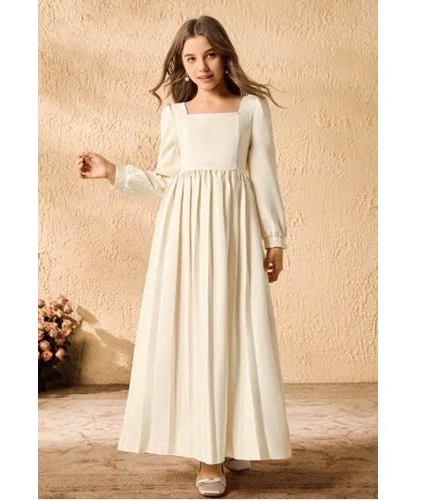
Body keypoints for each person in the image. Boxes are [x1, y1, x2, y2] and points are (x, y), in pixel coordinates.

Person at [77, 15, 291, 498]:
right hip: (184, 238)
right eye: (191, 58)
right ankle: (208, 455)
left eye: (210, 54)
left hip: (234, 237)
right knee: (199, 333)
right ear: (181, 63)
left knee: (235, 330)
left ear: (225, 55)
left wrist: (275, 240)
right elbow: (166, 182)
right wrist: (113, 172)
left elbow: (264, 176)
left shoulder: (251, 109)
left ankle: (230, 438)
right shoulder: (174, 115)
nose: (201, 66)